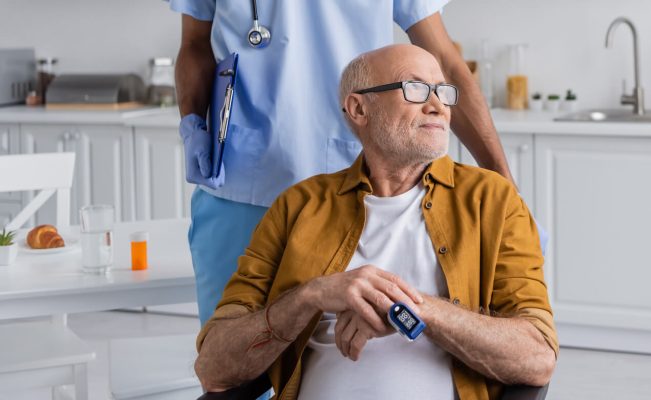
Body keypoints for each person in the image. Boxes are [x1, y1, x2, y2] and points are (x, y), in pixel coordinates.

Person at [194, 44, 557, 400]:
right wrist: (312, 296)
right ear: (358, 108)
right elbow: (214, 368)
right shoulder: (298, 206)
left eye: (443, 92)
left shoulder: (491, 199)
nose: (438, 106)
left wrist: (410, 310)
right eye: (415, 89)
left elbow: (536, 357)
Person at [171, 0, 514, 325]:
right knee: (233, 360)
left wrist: (505, 190)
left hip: (356, 188)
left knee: (351, 354)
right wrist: (192, 123)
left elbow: (444, 59)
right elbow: (194, 44)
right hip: (240, 186)